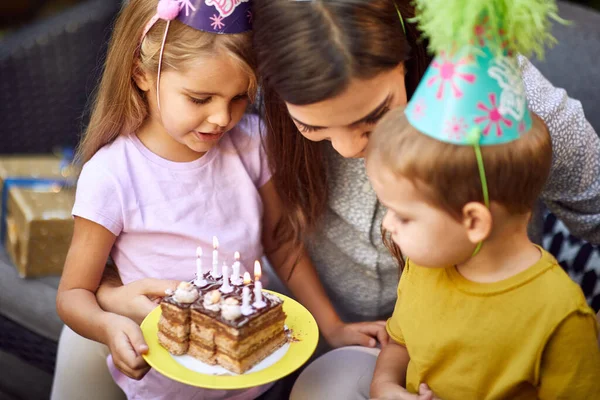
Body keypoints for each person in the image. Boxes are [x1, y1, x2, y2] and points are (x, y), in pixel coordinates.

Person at [52, 0, 600, 398]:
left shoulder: (492, 89)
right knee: (80, 348)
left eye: (375, 116)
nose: (351, 149)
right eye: (312, 128)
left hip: (420, 344)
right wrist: (109, 294)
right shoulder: (233, 93)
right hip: (293, 327)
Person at [53, 0, 388, 398]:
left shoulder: (250, 143)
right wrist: (107, 327)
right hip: (165, 387)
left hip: (256, 377)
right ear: (142, 74)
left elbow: (281, 240)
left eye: (240, 97)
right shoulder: (111, 176)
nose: (222, 118)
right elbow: (73, 294)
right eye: (200, 98)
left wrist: (333, 327)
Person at [366, 2, 600, 397]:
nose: (387, 225)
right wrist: (384, 385)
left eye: (403, 216)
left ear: (474, 221)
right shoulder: (425, 266)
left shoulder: (559, 315)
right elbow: (401, 341)